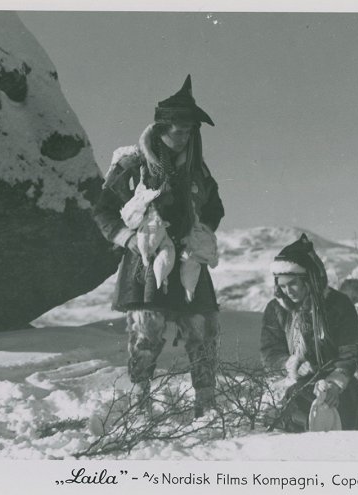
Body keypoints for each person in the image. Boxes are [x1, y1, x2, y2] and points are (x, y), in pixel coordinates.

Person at [92, 75, 224, 417]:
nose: (184, 137)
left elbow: (214, 209)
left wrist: (202, 232)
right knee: (147, 332)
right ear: (162, 128)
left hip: (189, 261)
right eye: (178, 130)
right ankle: (140, 403)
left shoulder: (198, 173)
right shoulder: (133, 166)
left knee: (202, 329)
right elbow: (103, 210)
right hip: (145, 264)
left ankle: (206, 405)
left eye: (189, 131)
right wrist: (130, 239)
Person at [260, 234, 358, 431]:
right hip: (293, 382)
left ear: (309, 279)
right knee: (296, 407)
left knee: (347, 413)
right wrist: (293, 364)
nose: (288, 291)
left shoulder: (337, 305)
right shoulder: (276, 310)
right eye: (283, 286)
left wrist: (335, 383)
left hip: (337, 383)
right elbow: (269, 352)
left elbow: (350, 350)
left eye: (293, 284)